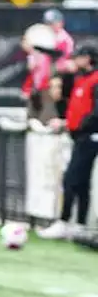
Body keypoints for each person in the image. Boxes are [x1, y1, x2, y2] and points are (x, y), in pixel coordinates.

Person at [40, 47, 98, 240]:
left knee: (72, 179)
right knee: (79, 182)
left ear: (88, 58)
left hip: (89, 136)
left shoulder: (95, 81)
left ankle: (66, 222)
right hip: (79, 136)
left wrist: (83, 126)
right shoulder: (81, 80)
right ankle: (78, 225)